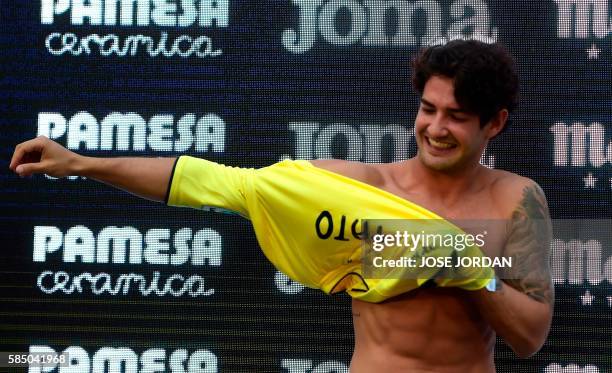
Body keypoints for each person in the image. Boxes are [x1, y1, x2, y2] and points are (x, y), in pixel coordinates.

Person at [10, 39, 553, 372]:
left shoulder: (516, 200)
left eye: (456, 115)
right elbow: (207, 181)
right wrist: (81, 163)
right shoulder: (362, 187)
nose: (435, 128)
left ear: (495, 122)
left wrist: (468, 268)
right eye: (428, 109)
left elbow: (530, 337)